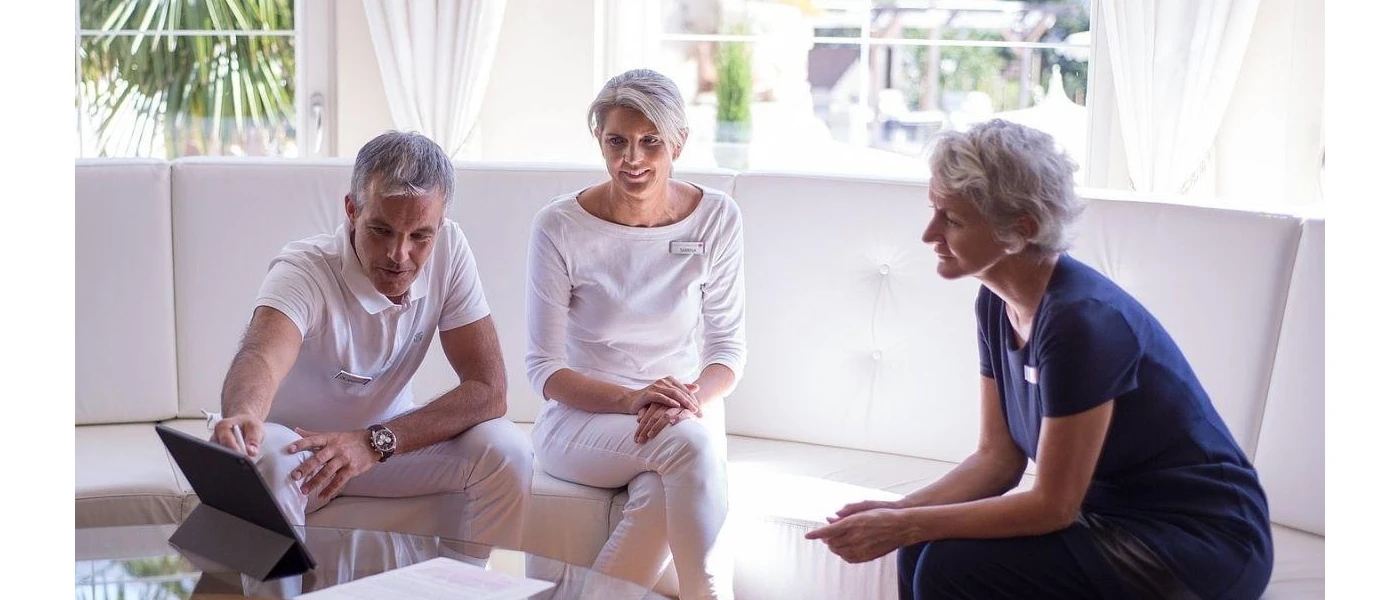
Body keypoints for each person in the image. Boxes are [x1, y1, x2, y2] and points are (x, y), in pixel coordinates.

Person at [806, 119, 1273, 600]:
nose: (929, 234)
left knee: (952, 565)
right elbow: (997, 459)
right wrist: (900, 514)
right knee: (920, 544)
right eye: (934, 211)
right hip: (1109, 520)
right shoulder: (995, 302)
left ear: (1020, 230)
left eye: (953, 219)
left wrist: (903, 525)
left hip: (1198, 543)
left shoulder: (1081, 323)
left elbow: (1053, 507)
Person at [210, 131, 533, 552]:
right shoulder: (304, 270)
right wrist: (244, 412)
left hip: (384, 447)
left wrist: (372, 442)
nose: (400, 254)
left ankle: (467, 589)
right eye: (382, 230)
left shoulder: (450, 248)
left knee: (508, 451)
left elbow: (489, 391)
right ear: (352, 209)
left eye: (420, 236)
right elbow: (262, 355)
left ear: (440, 221)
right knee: (267, 462)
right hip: (295, 449)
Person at [525, 68, 747, 600]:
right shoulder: (559, 226)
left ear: (678, 142)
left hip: (683, 414)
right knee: (691, 449)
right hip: (583, 422)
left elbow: (727, 351)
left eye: (650, 142)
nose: (633, 158)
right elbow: (544, 370)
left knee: (663, 485)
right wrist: (633, 399)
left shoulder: (716, 217)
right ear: (598, 140)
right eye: (617, 141)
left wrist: (684, 400)